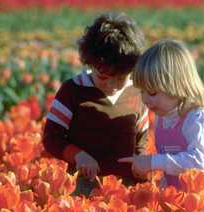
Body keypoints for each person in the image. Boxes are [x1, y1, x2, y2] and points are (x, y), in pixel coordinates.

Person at [42, 12, 148, 194]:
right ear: (90, 64)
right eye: (103, 77)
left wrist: (143, 169)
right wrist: (78, 155)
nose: (111, 85)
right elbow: (52, 138)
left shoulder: (137, 93)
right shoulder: (73, 90)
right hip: (84, 186)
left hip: (126, 190)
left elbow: (140, 143)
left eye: (119, 77)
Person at [119, 39, 204, 190]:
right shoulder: (163, 117)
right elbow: (172, 166)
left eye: (152, 93)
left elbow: (199, 163)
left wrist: (152, 163)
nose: (145, 99)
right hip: (181, 195)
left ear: (176, 85)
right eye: (142, 92)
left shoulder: (197, 118)